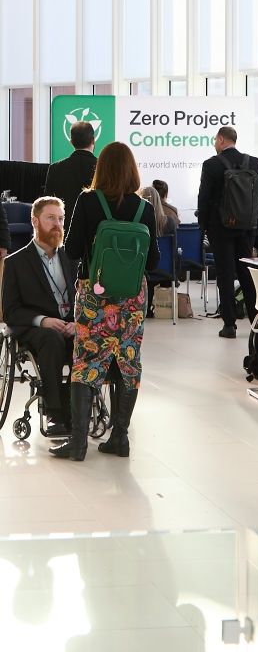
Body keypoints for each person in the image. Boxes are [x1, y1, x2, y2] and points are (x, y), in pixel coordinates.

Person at [50, 142, 159, 461]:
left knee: (85, 363)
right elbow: (153, 262)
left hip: (94, 298)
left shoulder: (87, 201)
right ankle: (120, 439)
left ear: (101, 169)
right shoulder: (145, 209)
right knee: (128, 362)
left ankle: (79, 443)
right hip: (132, 300)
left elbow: (70, 251)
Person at [2, 197, 78, 439]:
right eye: (51, 218)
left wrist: (79, 323)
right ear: (35, 221)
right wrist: (42, 320)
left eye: (60, 219)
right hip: (36, 329)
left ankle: (81, 408)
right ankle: (55, 413)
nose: (57, 224)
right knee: (51, 339)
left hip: (70, 323)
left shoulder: (73, 259)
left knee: (93, 338)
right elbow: (10, 311)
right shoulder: (15, 263)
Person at [197, 126, 258, 340]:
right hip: (247, 228)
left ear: (220, 140)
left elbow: (204, 198)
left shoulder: (211, 164)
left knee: (225, 275)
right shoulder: (253, 162)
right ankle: (256, 320)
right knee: (247, 273)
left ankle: (229, 325)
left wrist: (204, 226)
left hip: (221, 227)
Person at [43, 120, 99, 231]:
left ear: (71, 142)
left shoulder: (55, 168)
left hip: (64, 230)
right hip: (95, 231)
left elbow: (47, 203)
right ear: (93, 140)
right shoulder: (103, 168)